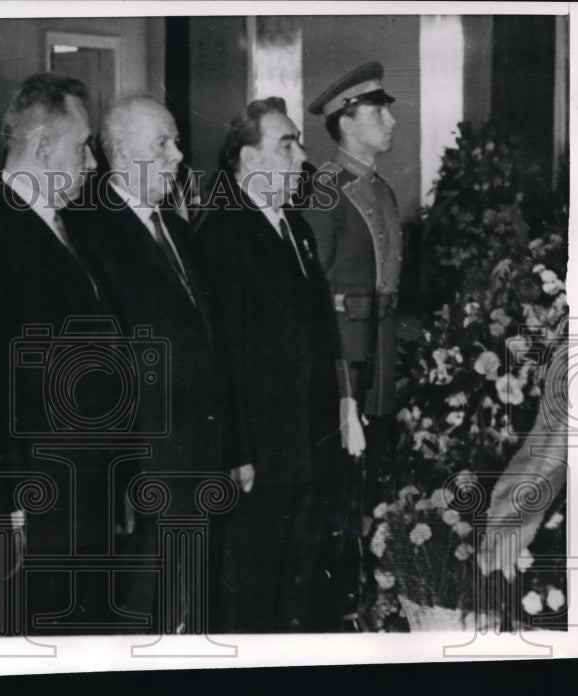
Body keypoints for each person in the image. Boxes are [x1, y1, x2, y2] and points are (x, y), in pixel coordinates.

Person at [0, 72, 115, 633]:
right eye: (83, 145)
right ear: (43, 148)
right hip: (40, 509)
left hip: (84, 500)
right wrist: (11, 507)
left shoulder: (70, 226)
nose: (92, 162)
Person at [193, 98, 363, 633]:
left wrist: (343, 405)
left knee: (301, 582)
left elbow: (318, 333)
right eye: (286, 145)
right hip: (261, 458)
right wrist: (238, 451)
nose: (300, 157)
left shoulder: (294, 227)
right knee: (253, 590)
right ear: (247, 158)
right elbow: (222, 359)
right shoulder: (221, 235)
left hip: (307, 445)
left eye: (298, 143)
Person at [70, 96, 224, 633]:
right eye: (162, 144)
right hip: (143, 469)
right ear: (120, 154)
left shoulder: (179, 230)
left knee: (185, 611)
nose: (178, 155)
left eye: (176, 140)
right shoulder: (87, 233)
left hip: (194, 462)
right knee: (137, 619)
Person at [306, 62, 402, 578]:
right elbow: (316, 298)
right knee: (342, 491)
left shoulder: (380, 190)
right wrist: (342, 386)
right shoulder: (325, 190)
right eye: (377, 110)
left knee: (375, 486)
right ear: (345, 121)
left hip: (380, 363)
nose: (390, 120)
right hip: (347, 369)